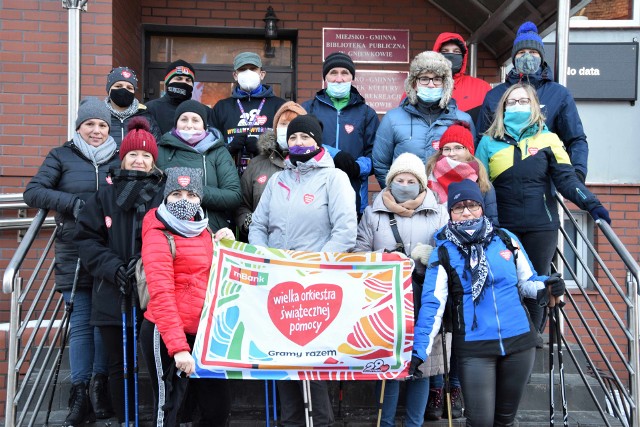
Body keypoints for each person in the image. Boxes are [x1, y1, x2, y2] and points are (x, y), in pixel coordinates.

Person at [411, 179, 566, 427]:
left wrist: (549, 285)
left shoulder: (505, 239)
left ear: (482, 207)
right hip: (475, 347)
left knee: (505, 421)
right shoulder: (444, 251)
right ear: (450, 212)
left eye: (472, 205)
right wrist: (419, 350)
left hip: (519, 342)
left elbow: (528, 283)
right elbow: (433, 305)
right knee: (480, 421)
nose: (466, 212)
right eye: (458, 207)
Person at [475, 83, 610, 337]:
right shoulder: (487, 142)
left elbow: (567, 180)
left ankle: (531, 345)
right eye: (512, 102)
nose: (518, 106)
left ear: (535, 106)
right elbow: (479, 187)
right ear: (502, 108)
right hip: (502, 228)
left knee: (538, 287)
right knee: (504, 286)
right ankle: (507, 348)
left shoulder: (549, 139)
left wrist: (592, 204)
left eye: (523, 101)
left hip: (541, 227)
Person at [249, 115, 357, 427]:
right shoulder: (278, 180)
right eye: (293, 138)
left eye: (305, 138)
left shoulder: (334, 179)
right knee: (283, 364)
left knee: (310, 370)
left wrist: (313, 266)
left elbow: (345, 232)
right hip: (278, 284)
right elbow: (258, 225)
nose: (298, 144)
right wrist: (264, 258)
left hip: (314, 286)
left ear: (317, 142)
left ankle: (321, 423)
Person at [23, 97, 118, 425]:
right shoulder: (61, 155)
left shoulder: (118, 160)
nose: (96, 131)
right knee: (80, 323)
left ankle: (99, 385)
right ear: (79, 126)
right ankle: (79, 393)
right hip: (73, 252)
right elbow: (33, 192)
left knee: (102, 323)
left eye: (102, 125)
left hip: (108, 253)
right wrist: (73, 203)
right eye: (90, 124)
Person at [73, 117, 165, 425]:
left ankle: (163, 417)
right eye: (133, 155)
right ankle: (126, 419)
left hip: (154, 291)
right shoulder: (104, 196)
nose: (139, 161)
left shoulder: (163, 196)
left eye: (146, 156)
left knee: (158, 362)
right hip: (112, 290)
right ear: (123, 157)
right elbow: (86, 238)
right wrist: (113, 267)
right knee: (118, 365)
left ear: (153, 161)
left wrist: (142, 263)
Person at [355, 153, 448, 427]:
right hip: (384, 298)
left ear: (421, 184)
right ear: (390, 181)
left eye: (411, 180)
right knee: (387, 364)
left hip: (424, 295)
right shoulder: (373, 213)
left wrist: (432, 255)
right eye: (399, 179)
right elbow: (359, 253)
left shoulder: (438, 211)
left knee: (422, 367)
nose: (404, 184)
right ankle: (385, 423)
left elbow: (449, 253)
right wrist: (383, 259)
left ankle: (414, 423)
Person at [140, 167, 233, 426]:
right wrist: (179, 348)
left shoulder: (203, 232)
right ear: (166, 197)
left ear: (200, 200)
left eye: (192, 195)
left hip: (203, 335)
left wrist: (226, 244)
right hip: (166, 334)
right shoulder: (158, 235)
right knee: (171, 410)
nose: (184, 201)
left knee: (217, 409)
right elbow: (161, 294)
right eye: (177, 193)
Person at [423, 120, 497, 419]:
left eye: (458, 147)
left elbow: (493, 221)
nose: (451, 152)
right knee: (439, 328)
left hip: (471, 266)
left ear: (470, 152)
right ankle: (436, 387)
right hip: (438, 260)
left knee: (462, 331)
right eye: (446, 148)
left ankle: (455, 388)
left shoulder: (482, 182)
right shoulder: (428, 179)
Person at [475, 21, 589, 182]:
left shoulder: (559, 94)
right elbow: (481, 139)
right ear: (514, 58)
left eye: (533, 52)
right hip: (501, 183)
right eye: (521, 52)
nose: (527, 56)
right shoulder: (495, 95)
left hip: (544, 183)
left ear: (541, 57)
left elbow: (576, 139)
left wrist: (577, 173)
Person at [373, 51, 474, 189]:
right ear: (414, 83)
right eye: (424, 78)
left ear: (446, 84)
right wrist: (397, 192)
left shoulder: (462, 120)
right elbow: (380, 164)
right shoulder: (392, 119)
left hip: (449, 202)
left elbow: (471, 162)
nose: (431, 85)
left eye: (437, 79)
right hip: (406, 203)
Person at [302, 52, 379, 215]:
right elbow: (298, 146)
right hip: (312, 190)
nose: (339, 78)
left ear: (352, 77)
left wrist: (358, 167)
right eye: (333, 73)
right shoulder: (308, 109)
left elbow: (376, 155)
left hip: (353, 194)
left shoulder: (366, 113)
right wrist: (335, 154)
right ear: (325, 77)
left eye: (344, 73)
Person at [156, 99, 242, 231]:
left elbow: (233, 195)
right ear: (176, 123)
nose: (189, 125)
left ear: (204, 125)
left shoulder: (218, 152)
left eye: (195, 120)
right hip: (169, 231)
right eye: (184, 119)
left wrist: (193, 190)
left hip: (211, 230)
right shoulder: (161, 150)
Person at [235, 101, 306, 242]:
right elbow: (241, 204)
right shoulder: (257, 164)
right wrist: (250, 223)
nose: (288, 130)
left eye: (294, 124)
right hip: (260, 246)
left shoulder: (315, 165)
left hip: (303, 250)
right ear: (275, 128)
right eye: (284, 124)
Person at [210, 51, 286, 174]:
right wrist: (228, 148)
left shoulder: (279, 106)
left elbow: (289, 144)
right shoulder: (222, 107)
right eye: (243, 69)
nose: (248, 72)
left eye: (253, 69)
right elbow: (210, 145)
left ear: (262, 74)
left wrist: (264, 149)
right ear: (235, 75)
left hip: (269, 175)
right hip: (229, 175)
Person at [433, 32, 492, 123]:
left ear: (463, 56)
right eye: (445, 51)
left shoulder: (482, 88)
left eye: (456, 52)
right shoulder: (421, 86)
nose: (451, 55)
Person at [104, 66, 161, 145]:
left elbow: (156, 146)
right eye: (118, 86)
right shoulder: (99, 116)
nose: (124, 90)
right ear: (109, 89)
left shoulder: (145, 117)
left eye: (129, 87)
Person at [146, 59, 203, 134]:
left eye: (188, 80)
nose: (183, 82)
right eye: (179, 78)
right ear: (167, 81)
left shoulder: (202, 110)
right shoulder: (150, 108)